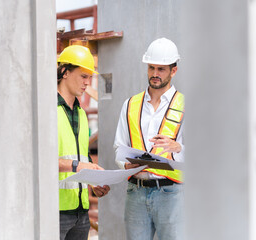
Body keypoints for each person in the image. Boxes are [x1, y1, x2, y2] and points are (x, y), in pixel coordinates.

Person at [114, 37, 185, 240]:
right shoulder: (130, 104)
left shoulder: (185, 105)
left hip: (171, 194)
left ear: (174, 70)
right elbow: (119, 146)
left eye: (161, 69)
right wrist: (124, 165)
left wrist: (178, 147)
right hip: (136, 192)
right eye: (151, 67)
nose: (154, 74)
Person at [57, 45, 110, 240]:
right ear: (65, 72)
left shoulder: (81, 113)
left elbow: (80, 156)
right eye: (83, 76)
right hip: (56, 211)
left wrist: (94, 183)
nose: (88, 83)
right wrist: (77, 165)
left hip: (80, 212)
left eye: (90, 77)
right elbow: (39, 161)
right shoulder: (47, 110)